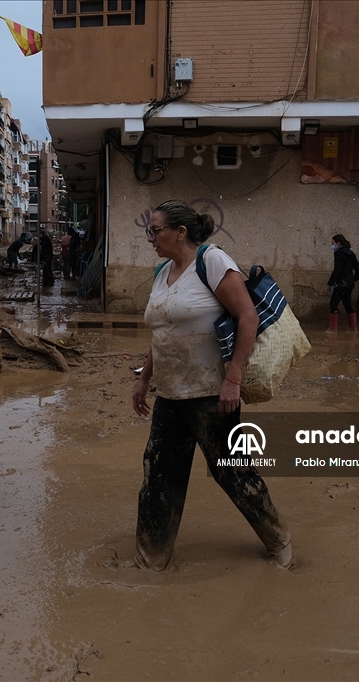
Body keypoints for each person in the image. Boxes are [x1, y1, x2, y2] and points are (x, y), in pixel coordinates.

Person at [131, 199, 293, 571]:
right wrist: (144, 379)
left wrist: (233, 378)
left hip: (211, 394)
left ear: (180, 232)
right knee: (158, 475)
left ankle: (279, 539)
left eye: (155, 231)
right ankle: (151, 559)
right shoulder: (162, 272)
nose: (150, 238)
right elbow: (162, 332)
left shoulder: (212, 261)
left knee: (231, 472)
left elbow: (247, 317)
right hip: (169, 395)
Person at [327, 234, 359, 331]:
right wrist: (353, 279)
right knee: (347, 304)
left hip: (341, 283)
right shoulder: (351, 253)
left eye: (333, 243)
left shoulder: (339, 253)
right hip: (349, 283)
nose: (332, 245)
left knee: (333, 304)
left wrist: (331, 282)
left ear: (338, 243)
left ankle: (332, 329)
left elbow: (337, 269)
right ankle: (353, 327)